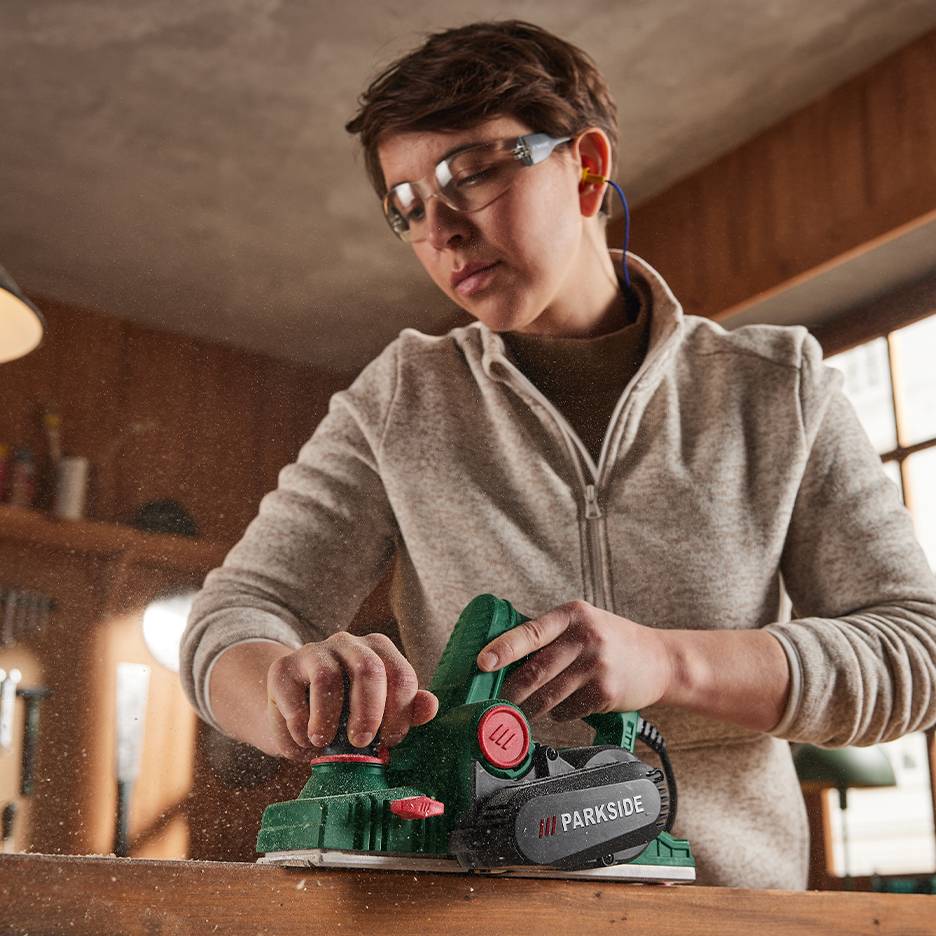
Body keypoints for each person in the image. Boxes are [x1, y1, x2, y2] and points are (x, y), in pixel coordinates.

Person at [181, 20, 936, 888]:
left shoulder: (778, 387)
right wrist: (290, 685)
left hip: (729, 911)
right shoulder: (400, 399)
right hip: (473, 907)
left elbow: (916, 651)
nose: (442, 229)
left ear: (585, 166)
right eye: (408, 206)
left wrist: (670, 662)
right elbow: (232, 620)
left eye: (470, 174)